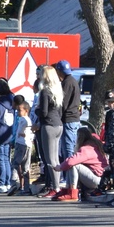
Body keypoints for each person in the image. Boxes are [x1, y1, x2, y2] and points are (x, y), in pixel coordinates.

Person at [51, 126, 109, 202]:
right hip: (101, 179)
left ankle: (72, 192)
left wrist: (60, 167)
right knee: (71, 165)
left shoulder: (86, 149)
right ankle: (67, 190)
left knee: (74, 165)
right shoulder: (96, 146)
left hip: (97, 180)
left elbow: (70, 162)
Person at [34, 65, 64, 196]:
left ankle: (55, 187)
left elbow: (44, 112)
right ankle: (56, 185)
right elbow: (60, 111)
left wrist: (36, 109)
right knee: (55, 158)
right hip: (58, 124)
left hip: (49, 125)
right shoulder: (58, 90)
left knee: (49, 159)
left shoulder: (45, 91)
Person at [54, 60, 82, 161]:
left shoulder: (67, 83)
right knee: (70, 147)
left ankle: (71, 175)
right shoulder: (72, 81)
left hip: (69, 120)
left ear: (59, 71)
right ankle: (70, 174)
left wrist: (57, 118)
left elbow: (63, 104)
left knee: (68, 149)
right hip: (73, 119)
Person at [10, 98, 34, 195]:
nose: (18, 112)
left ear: (26, 111)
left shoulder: (25, 120)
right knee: (23, 166)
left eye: (20, 110)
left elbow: (28, 129)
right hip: (23, 144)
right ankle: (25, 187)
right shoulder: (23, 119)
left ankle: (15, 183)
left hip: (23, 145)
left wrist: (24, 134)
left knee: (16, 164)